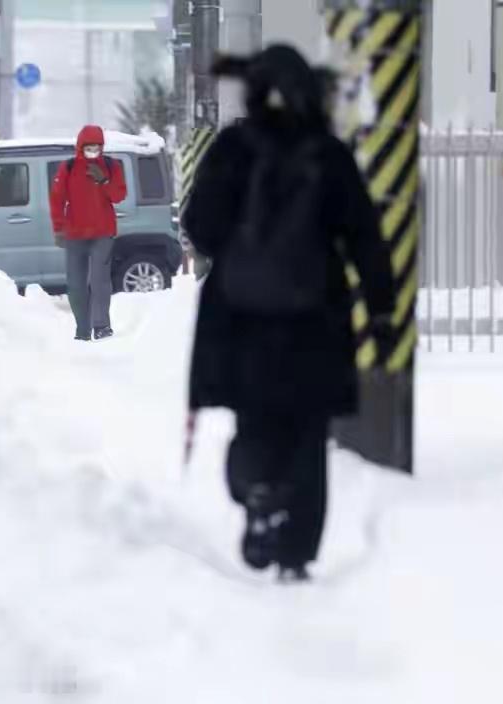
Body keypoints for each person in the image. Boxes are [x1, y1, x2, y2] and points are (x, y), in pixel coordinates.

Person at [182, 45, 395, 583]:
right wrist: (381, 307)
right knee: (306, 433)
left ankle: (257, 492)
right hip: (313, 322)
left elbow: (200, 227)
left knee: (255, 420)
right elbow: (363, 236)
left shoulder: (233, 149)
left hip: (242, 321)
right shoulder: (327, 154)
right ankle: (296, 554)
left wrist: (239, 242)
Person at [50, 125, 128, 341]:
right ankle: (82, 329)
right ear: (80, 147)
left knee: (100, 280)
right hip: (75, 234)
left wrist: (104, 180)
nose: (93, 151)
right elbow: (57, 199)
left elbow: (119, 195)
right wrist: (58, 228)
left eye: (97, 147)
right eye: (89, 147)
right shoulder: (69, 167)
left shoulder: (111, 166)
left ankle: (101, 326)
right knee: (76, 285)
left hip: (103, 233)